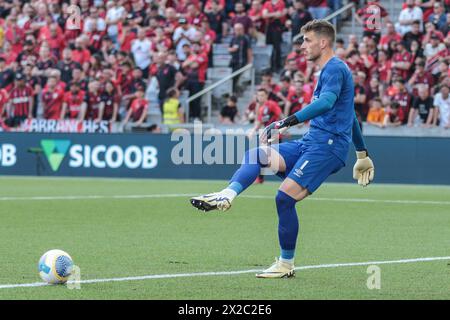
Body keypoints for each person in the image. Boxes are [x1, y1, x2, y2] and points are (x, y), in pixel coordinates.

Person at [190, 20, 375, 278]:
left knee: (284, 198)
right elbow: (350, 115)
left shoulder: (334, 68)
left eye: (307, 40)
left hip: (327, 147)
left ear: (323, 42)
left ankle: (286, 264)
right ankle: (227, 194)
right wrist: (362, 153)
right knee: (257, 155)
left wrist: (285, 122)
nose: (302, 46)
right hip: (311, 142)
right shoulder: (331, 71)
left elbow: (327, 102)